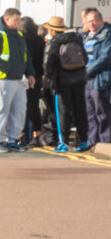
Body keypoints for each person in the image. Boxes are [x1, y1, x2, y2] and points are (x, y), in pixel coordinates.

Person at [0, 7, 27, 154]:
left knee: (19, 110)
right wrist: (11, 69)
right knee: (1, 110)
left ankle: (13, 140)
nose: (19, 22)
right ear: (7, 19)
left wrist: (30, 73)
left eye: (19, 19)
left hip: (17, 78)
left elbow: (25, 57)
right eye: (16, 19)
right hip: (1, 79)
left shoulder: (18, 35)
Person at [42, 16, 89, 152]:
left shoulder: (54, 43)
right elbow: (84, 58)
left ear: (52, 30)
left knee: (63, 112)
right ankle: (82, 141)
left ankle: (64, 143)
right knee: (80, 111)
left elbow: (47, 64)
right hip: (79, 81)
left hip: (62, 83)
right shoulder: (77, 40)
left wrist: (51, 81)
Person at [81, 7, 111, 150]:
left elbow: (105, 57)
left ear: (101, 20)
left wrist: (88, 71)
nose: (92, 23)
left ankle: (105, 141)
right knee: (89, 112)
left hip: (99, 78)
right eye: (89, 21)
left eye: (94, 20)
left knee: (102, 110)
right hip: (85, 79)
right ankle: (92, 141)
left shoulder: (107, 35)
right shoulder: (86, 36)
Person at [20, 14, 47, 148]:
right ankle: (35, 136)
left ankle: (23, 135)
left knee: (22, 107)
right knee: (34, 106)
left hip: (25, 76)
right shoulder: (40, 40)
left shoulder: (22, 40)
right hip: (38, 76)